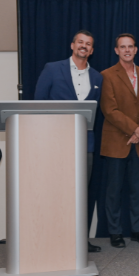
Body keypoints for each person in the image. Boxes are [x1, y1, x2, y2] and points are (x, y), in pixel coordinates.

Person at [32, 30, 104, 253]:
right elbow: (38, 104)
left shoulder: (98, 78)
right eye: (80, 42)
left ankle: (80, 241)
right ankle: (53, 237)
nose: (84, 46)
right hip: (55, 143)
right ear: (72, 45)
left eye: (88, 44)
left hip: (86, 145)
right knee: (56, 191)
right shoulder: (52, 69)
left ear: (92, 50)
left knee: (81, 193)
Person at [98, 33, 139, 248]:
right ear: (116, 51)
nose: (127, 50)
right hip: (116, 142)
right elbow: (110, 110)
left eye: (130, 46)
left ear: (136, 49)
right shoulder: (107, 75)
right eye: (123, 47)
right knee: (113, 190)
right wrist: (135, 129)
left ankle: (138, 230)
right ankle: (115, 232)